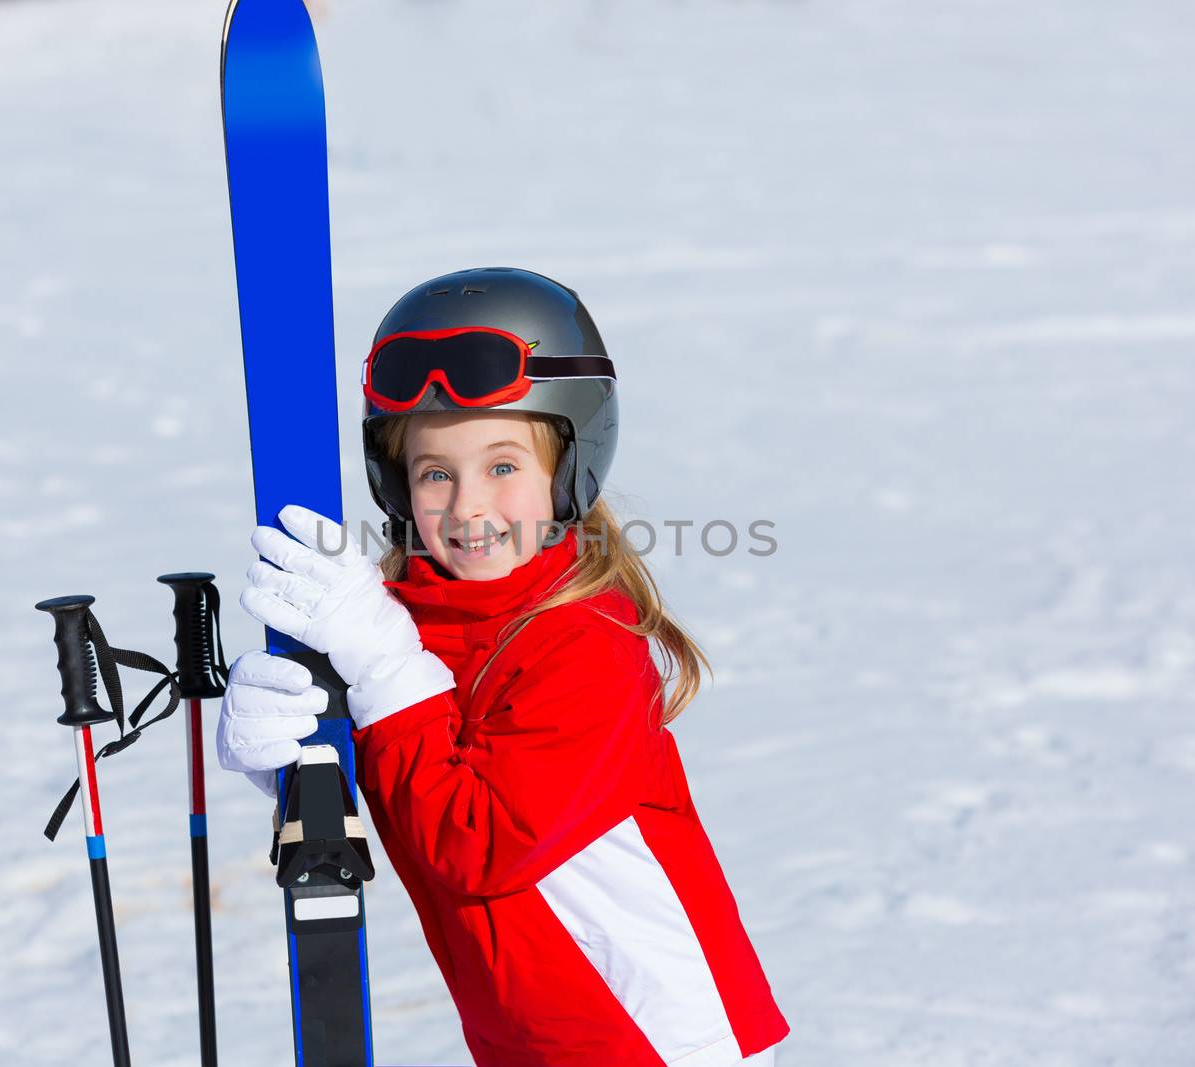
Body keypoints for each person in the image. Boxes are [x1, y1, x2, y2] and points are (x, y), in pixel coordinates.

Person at [218, 268, 789, 1066]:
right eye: (436, 473)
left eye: (503, 466)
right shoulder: (402, 619)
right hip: (525, 1039)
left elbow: (475, 843)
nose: (468, 506)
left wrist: (381, 662)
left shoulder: (587, 642)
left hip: (655, 1040)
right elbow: (407, 768)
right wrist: (298, 743)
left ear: (569, 466)